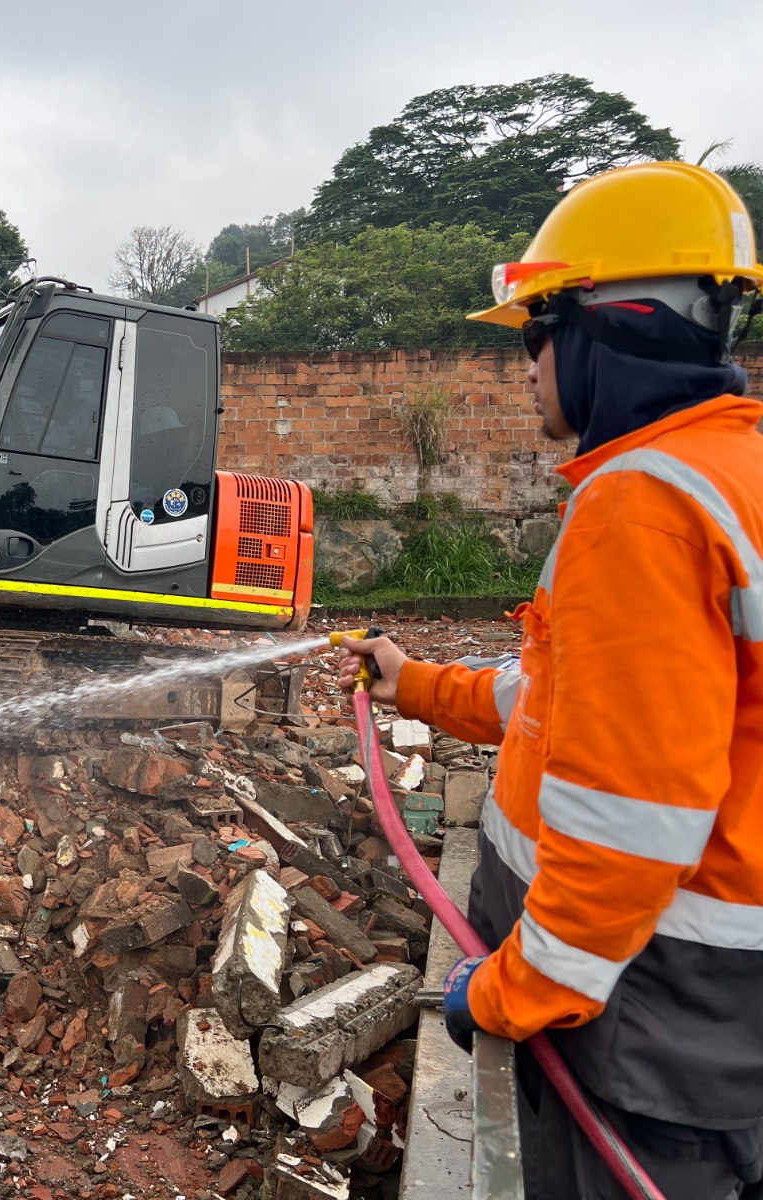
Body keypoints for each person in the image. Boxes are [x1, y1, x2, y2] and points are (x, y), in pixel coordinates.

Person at [339, 162, 763, 1199]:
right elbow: (572, 706)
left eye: (537, 330)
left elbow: (629, 810)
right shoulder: (724, 473)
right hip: (695, 1006)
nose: (523, 364)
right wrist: (419, 686)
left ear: (607, 329)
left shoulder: (641, 505)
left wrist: (514, 990)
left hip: (647, 1014)